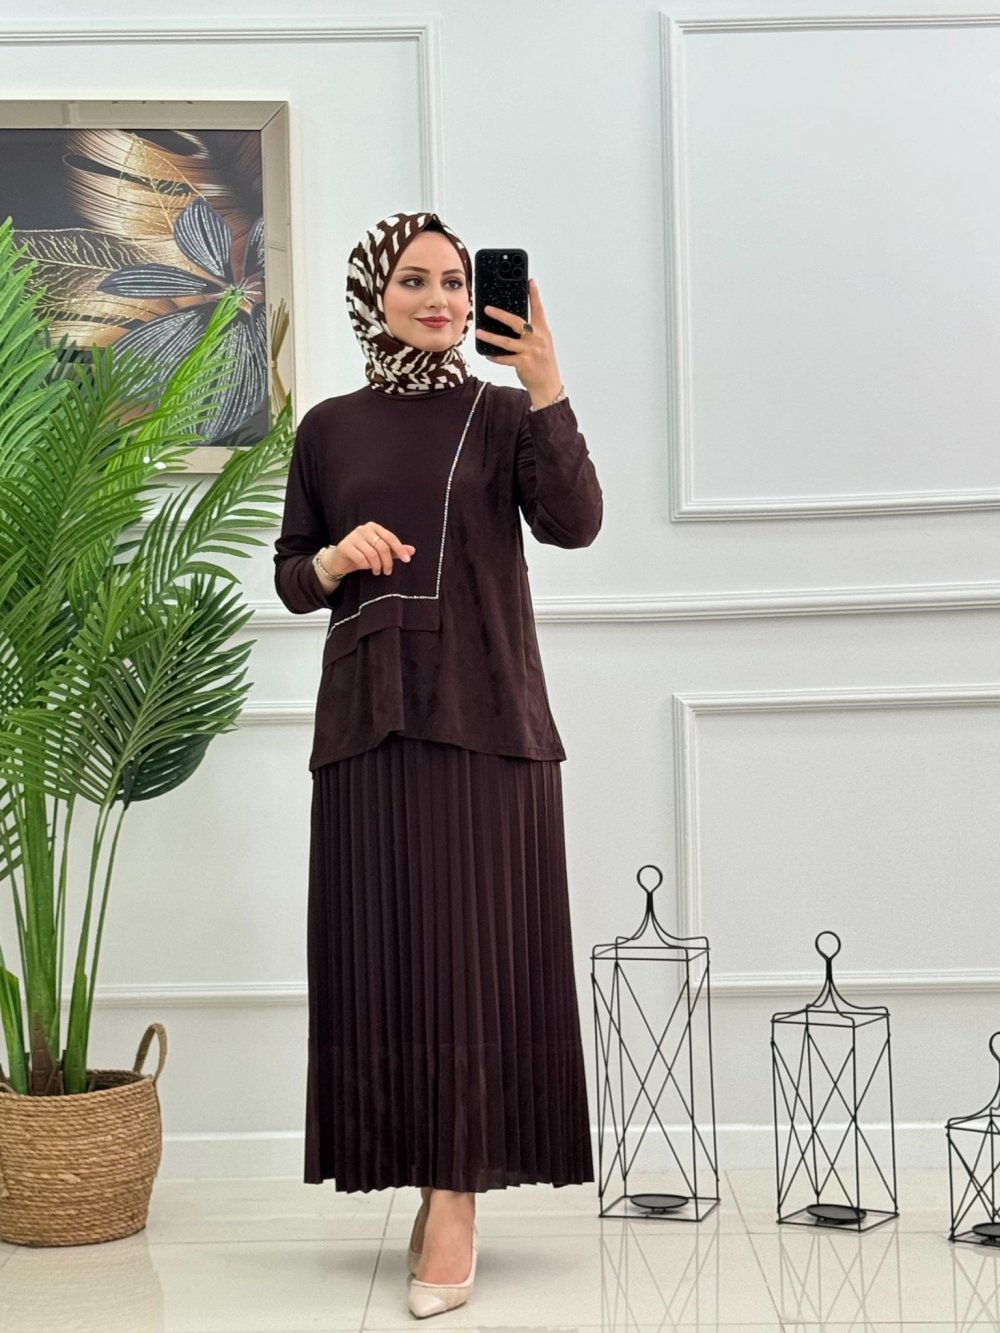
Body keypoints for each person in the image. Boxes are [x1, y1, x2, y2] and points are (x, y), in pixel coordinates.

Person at [273, 211, 602, 1319]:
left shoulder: (504, 414)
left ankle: (454, 1198)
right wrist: (335, 557)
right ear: (375, 294)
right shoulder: (328, 428)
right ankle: (427, 1173)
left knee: (469, 965)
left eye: (455, 282)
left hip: (485, 719)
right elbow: (291, 575)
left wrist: (546, 384)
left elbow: (575, 523)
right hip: (367, 726)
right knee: (389, 964)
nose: (439, 299)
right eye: (413, 280)